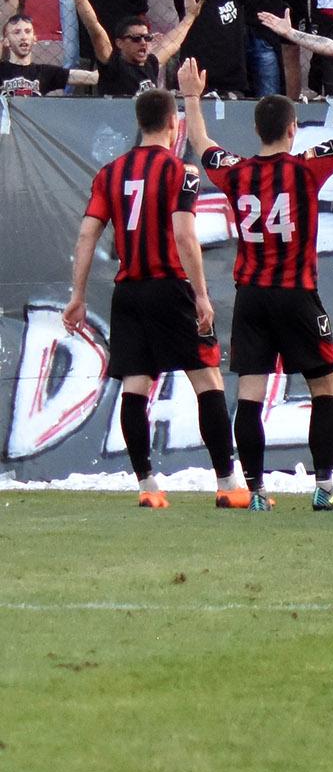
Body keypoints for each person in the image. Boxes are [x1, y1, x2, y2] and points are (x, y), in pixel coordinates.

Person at [180, 48, 333, 510]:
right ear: (293, 130)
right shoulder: (307, 165)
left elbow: (201, 140)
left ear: (255, 130)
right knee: (324, 386)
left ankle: (256, 491)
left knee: (250, 392)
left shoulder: (235, 171)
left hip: (251, 298)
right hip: (296, 296)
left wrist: (191, 97)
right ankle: (325, 488)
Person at [63, 86, 249, 509]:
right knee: (207, 379)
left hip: (128, 291)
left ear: (139, 122)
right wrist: (200, 294)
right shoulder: (182, 171)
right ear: (173, 123)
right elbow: (184, 234)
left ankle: (147, 485)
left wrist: (77, 295)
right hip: (170, 288)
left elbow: (86, 235)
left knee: (136, 384)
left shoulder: (109, 173)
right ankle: (227, 483)